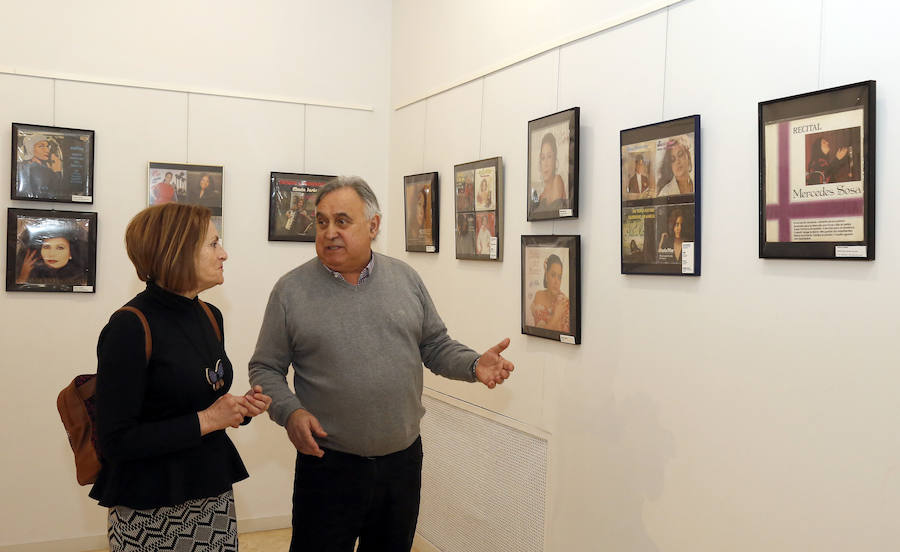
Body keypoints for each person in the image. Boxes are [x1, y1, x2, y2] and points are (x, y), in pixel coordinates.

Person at [248, 176, 514, 552]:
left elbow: (435, 346)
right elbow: (265, 368)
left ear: (373, 226)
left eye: (342, 221)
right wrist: (290, 412)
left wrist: (474, 365)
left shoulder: (406, 279)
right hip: (328, 466)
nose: (329, 232)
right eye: (322, 222)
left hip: (401, 465)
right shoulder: (290, 291)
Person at [90, 203, 272, 552]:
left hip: (211, 492)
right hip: (151, 506)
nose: (224, 254)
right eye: (213, 244)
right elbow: (117, 441)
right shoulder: (129, 327)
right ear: (177, 252)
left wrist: (236, 409)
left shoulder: (210, 315)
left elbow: (196, 398)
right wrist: (208, 419)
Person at [16, 223, 87, 287]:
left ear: (71, 253)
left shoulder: (83, 278)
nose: (52, 254)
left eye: (60, 248)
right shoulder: (30, 273)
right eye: (46, 247)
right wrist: (23, 276)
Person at [529, 254, 570, 332]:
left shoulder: (565, 303)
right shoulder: (538, 295)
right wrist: (556, 316)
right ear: (546, 275)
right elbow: (538, 332)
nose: (556, 282)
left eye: (559, 277)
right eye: (553, 275)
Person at [16, 134, 64, 199]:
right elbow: (54, 191)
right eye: (41, 146)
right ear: (30, 148)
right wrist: (57, 172)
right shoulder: (38, 168)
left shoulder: (45, 168)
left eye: (47, 146)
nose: (47, 150)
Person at [534, 132, 567, 210]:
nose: (545, 164)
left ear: (555, 160)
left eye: (549, 156)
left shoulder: (557, 180)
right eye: (543, 158)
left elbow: (554, 212)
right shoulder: (540, 196)